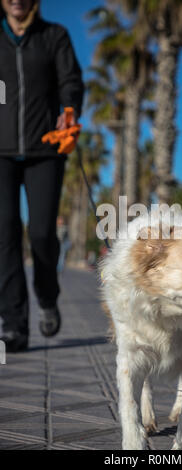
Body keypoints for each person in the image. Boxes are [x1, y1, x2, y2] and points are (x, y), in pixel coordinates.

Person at [0, 0, 84, 351]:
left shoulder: (54, 36)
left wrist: (68, 114)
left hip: (46, 150)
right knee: (4, 234)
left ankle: (47, 297)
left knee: (41, 232)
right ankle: (14, 325)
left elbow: (71, 82)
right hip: (0, 153)